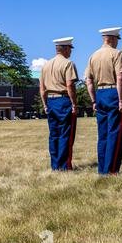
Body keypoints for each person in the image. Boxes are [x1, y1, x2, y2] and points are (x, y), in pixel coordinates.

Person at [85, 27, 122, 176]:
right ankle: (112, 170)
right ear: (113, 39)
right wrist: (121, 100)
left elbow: (88, 81)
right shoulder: (116, 54)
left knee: (102, 135)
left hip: (100, 93)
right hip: (113, 93)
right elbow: (120, 78)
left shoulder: (93, 56)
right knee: (115, 133)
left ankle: (102, 169)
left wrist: (94, 100)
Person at [39, 37, 78, 171]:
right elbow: (70, 84)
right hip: (63, 101)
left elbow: (42, 89)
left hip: (50, 101)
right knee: (65, 134)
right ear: (66, 49)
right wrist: (74, 103)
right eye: (70, 49)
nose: (71, 52)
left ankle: (55, 165)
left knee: (53, 134)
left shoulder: (45, 65)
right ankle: (64, 165)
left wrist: (45, 104)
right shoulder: (68, 64)